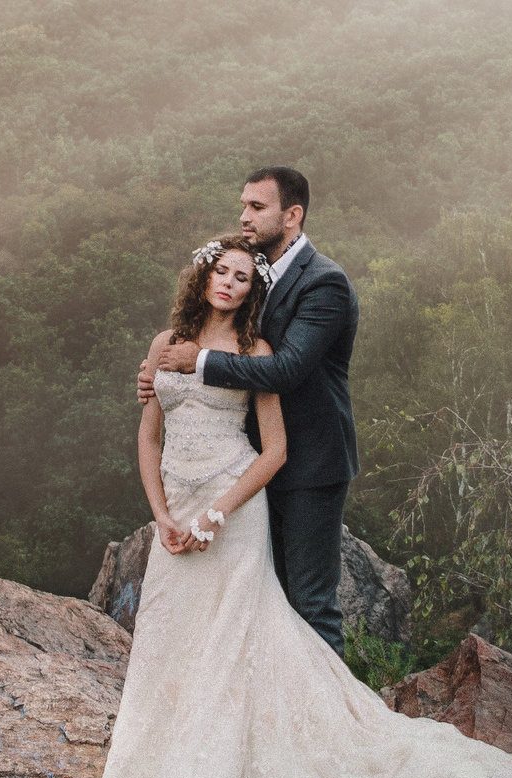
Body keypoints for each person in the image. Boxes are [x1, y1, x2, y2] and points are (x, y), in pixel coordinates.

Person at [97, 232, 512, 778]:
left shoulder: (256, 348)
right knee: (173, 635)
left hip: (230, 506)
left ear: (251, 289)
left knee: (236, 634)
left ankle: (228, 774)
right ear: (200, 276)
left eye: (241, 276)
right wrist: (162, 515)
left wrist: (217, 513)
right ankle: (159, 761)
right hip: (174, 503)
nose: (228, 282)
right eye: (219, 271)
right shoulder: (164, 345)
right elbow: (149, 439)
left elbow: (275, 450)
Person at [141, 166, 357, 655]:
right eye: (243, 205)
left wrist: (196, 364)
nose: (244, 217)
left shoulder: (325, 283)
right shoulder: (255, 276)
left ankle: (323, 724)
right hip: (243, 466)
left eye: (257, 208)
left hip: (308, 465)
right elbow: (221, 336)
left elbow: (286, 370)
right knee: (265, 602)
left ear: (292, 216)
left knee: (309, 603)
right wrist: (161, 375)